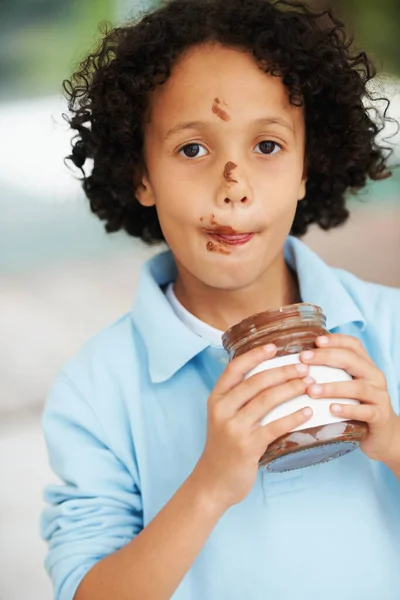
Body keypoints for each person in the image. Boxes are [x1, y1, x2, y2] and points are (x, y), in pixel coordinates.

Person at [41, 1, 400, 599]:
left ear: (306, 166)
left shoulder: (392, 327)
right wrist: (209, 485)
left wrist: (390, 437)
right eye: (191, 150)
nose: (233, 187)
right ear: (141, 174)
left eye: (266, 146)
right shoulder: (97, 389)